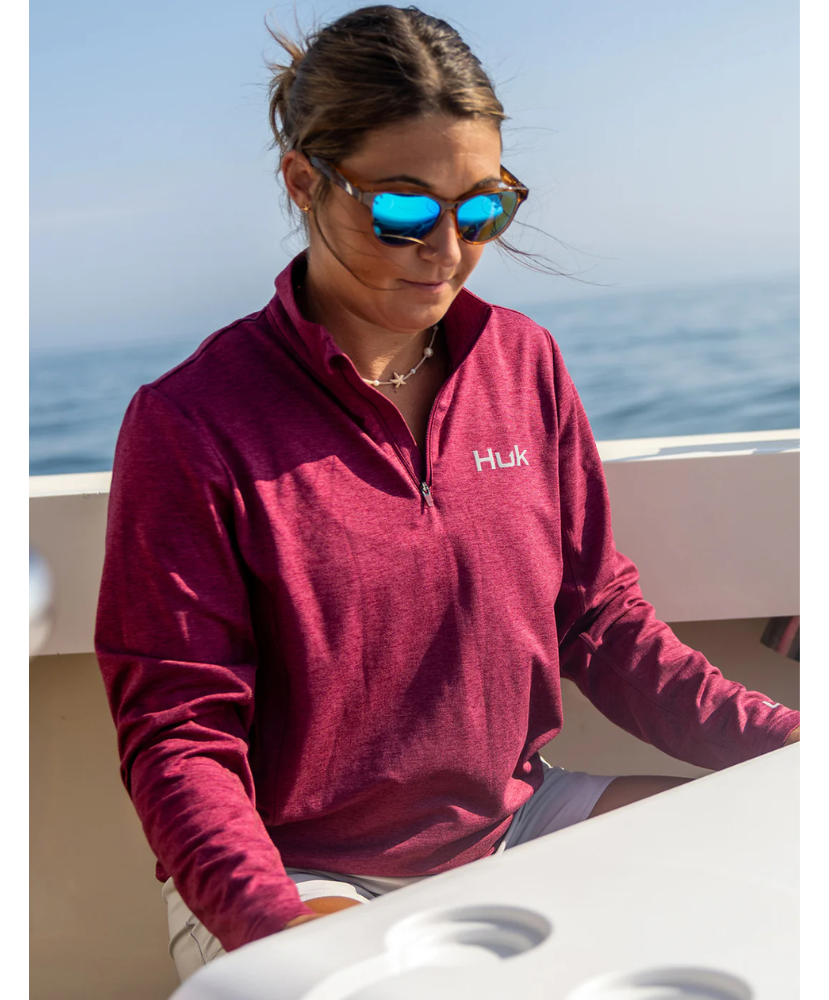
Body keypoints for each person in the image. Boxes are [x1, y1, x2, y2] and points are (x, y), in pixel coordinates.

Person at [94, 5, 800, 984]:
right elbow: (182, 738)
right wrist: (281, 921)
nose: (447, 247)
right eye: (403, 209)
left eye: (481, 208)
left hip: (520, 818)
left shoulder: (523, 362)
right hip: (299, 868)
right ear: (304, 181)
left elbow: (600, 622)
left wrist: (786, 746)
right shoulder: (190, 423)